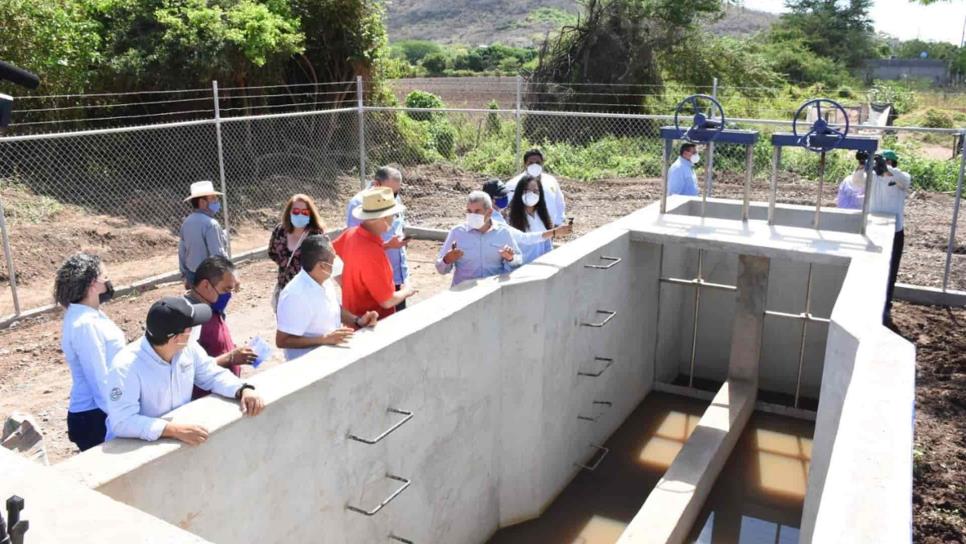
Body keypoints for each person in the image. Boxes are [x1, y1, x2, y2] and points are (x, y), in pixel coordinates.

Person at [106, 296, 265, 445]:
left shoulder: (188, 348)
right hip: (136, 450)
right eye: (191, 327)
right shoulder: (125, 366)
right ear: (176, 338)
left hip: (174, 443)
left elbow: (212, 374)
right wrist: (171, 430)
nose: (195, 329)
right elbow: (122, 421)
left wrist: (242, 389)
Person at [55, 253, 126, 452]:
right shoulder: (84, 325)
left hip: (99, 412)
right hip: (95, 415)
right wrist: (120, 415)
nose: (108, 281)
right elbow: (99, 377)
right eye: (105, 276)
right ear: (93, 284)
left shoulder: (90, 314)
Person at [276, 235, 379, 360]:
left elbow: (334, 309)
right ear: (321, 266)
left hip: (330, 358)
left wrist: (357, 320)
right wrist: (323, 339)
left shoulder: (324, 279)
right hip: (307, 365)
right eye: (333, 258)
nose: (337, 260)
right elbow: (282, 340)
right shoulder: (294, 296)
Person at [333, 187, 417, 320]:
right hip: (373, 325)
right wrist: (407, 290)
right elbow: (387, 301)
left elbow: (331, 254)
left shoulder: (351, 233)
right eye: (392, 216)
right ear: (383, 218)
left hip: (354, 319)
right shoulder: (373, 254)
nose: (393, 219)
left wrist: (344, 283)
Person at [186, 256, 257, 399]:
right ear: (206, 285)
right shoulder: (189, 319)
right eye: (226, 289)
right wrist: (229, 358)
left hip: (227, 391)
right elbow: (188, 369)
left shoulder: (213, 308)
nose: (228, 295)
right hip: (206, 400)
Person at [346, 167, 410, 311]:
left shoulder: (392, 197)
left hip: (398, 276)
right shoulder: (357, 204)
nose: (393, 196)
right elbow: (356, 247)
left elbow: (399, 227)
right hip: (376, 280)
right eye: (391, 192)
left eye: (396, 192)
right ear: (376, 184)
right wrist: (389, 245)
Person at [436, 191, 522, 286]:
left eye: (477, 211)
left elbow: (518, 263)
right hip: (463, 293)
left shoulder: (503, 233)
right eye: (469, 211)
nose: (472, 215)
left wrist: (510, 258)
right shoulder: (457, 232)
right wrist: (446, 260)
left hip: (492, 291)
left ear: (489, 212)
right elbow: (440, 269)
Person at [865, 149, 912, 326]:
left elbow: (904, 180)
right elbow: (856, 181)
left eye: (888, 162)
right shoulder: (872, 177)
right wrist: (864, 164)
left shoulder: (900, 178)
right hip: (873, 230)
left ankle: (885, 307)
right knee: (871, 269)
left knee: (890, 271)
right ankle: (870, 305)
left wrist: (888, 169)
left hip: (895, 232)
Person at [268, 194, 327, 310]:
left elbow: (325, 263)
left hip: (309, 293)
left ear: (310, 214)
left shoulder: (316, 235)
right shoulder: (280, 231)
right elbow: (272, 253)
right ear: (289, 212)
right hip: (285, 290)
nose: (300, 214)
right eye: (296, 211)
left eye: (304, 212)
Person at [179, 181, 228, 288]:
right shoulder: (211, 224)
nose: (216, 202)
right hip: (209, 278)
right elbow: (217, 254)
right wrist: (228, 275)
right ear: (202, 202)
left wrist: (185, 275)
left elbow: (182, 252)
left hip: (192, 274)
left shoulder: (186, 223)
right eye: (213, 198)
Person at [506, 149, 567, 226]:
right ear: (525, 164)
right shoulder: (513, 184)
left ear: (542, 163)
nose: (534, 166)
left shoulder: (551, 181)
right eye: (530, 163)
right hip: (523, 230)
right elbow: (506, 208)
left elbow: (559, 202)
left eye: (538, 163)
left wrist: (559, 222)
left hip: (548, 229)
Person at [507, 175, 555, 263]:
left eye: (535, 191)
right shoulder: (511, 219)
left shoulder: (543, 216)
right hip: (521, 268)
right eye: (527, 191)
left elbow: (548, 245)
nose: (532, 194)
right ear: (520, 192)